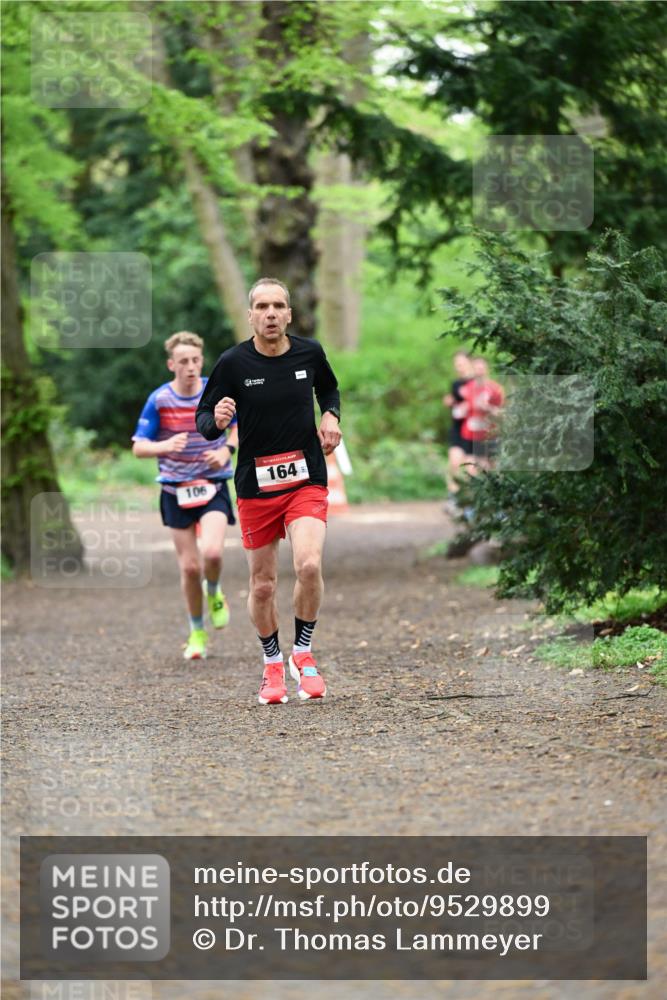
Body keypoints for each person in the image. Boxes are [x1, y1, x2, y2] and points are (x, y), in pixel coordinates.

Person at [196, 278, 341, 705]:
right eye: (263, 306)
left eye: (279, 305)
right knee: (262, 586)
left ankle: (303, 652)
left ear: (289, 314)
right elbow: (204, 418)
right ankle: (272, 663)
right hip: (255, 487)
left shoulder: (309, 352)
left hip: (305, 478)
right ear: (251, 315)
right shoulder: (232, 363)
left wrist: (331, 414)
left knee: (309, 565)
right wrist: (217, 420)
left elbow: (328, 388)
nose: (271, 313)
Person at [132, 331, 238, 661]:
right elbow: (138, 446)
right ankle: (197, 631)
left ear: (201, 361)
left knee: (213, 554)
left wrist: (227, 452)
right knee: (190, 568)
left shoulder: (215, 391)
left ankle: (215, 590)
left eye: (195, 360)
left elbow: (241, 424)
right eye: (183, 362)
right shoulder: (159, 400)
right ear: (171, 365)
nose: (190, 367)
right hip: (175, 490)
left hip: (213, 485)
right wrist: (165, 445)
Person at [442, 349, 474, 511]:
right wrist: (451, 402)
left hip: (473, 431)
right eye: (456, 365)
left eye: (460, 364)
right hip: (457, 428)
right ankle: (453, 498)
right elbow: (456, 404)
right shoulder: (455, 384)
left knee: (471, 468)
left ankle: (471, 502)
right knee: (453, 463)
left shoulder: (477, 383)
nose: (458, 367)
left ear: (469, 363)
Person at [459, 356, 504, 471]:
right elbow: (464, 408)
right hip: (471, 434)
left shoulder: (495, 389)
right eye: (476, 368)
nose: (479, 371)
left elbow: (501, 413)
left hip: (490, 434)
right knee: (471, 468)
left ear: (486, 369)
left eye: (481, 368)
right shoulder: (467, 388)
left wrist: (488, 408)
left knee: (491, 468)